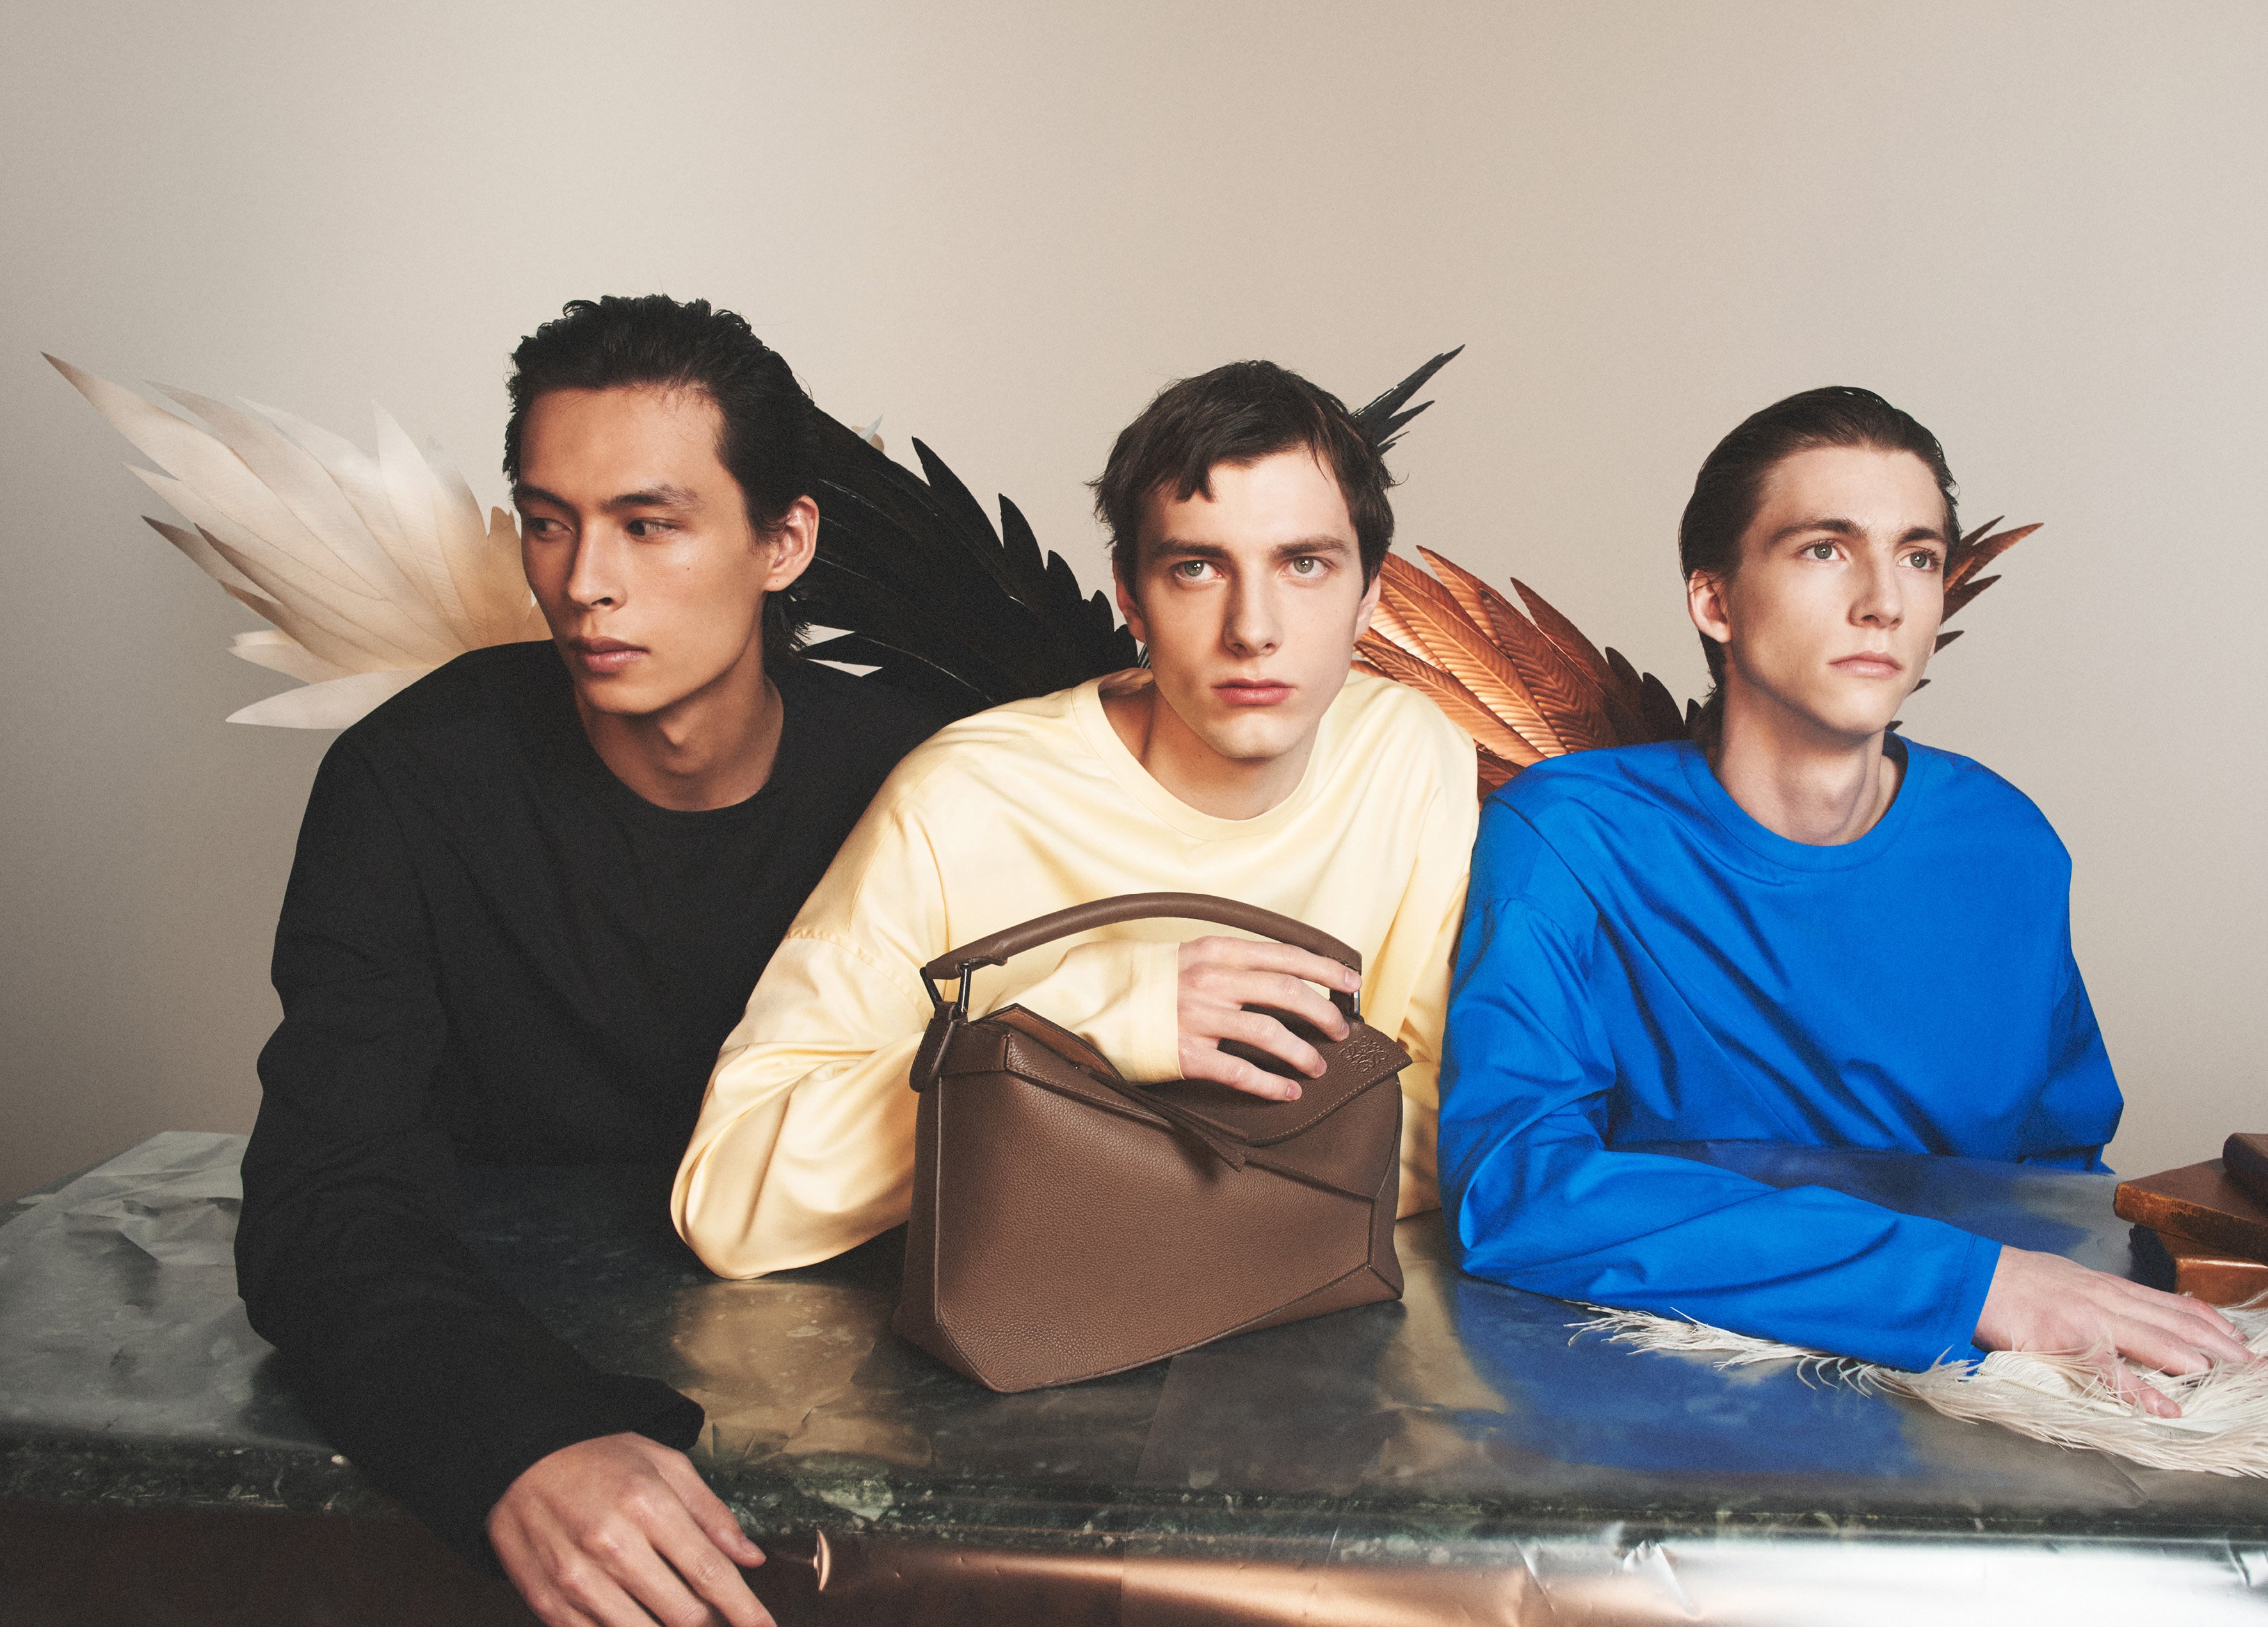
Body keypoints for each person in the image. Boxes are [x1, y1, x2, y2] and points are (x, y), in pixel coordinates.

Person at [235, 295, 942, 1627]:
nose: (582, 582)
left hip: (882, 1439)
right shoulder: (407, 785)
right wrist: (517, 1438)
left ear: (784, 541)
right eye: (548, 522)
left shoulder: (925, 777)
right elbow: (323, 1196)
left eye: (648, 523)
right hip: (519, 1382)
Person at [1440, 385, 2250, 1413]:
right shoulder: (1570, 833)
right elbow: (1514, 1186)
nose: (1884, 601)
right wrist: (1961, 1283)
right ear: (1715, 602)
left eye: (1918, 556)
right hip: (1659, 1393)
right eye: (1825, 549)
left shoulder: (2005, 843)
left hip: (1984, 1400)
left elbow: (2060, 1178)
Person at [673, 360, 1478, 1276]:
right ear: (1131, 595)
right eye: (1196, 567)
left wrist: (1142, 1175)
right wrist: (1075, 1025)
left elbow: (1455, 1115)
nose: (1253, 629)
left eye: (1304, 565)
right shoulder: (963, 800)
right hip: (1029, 1332)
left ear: (1369, 596)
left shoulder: (1409, 754)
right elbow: (727, 1200)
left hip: (1313, 1317)